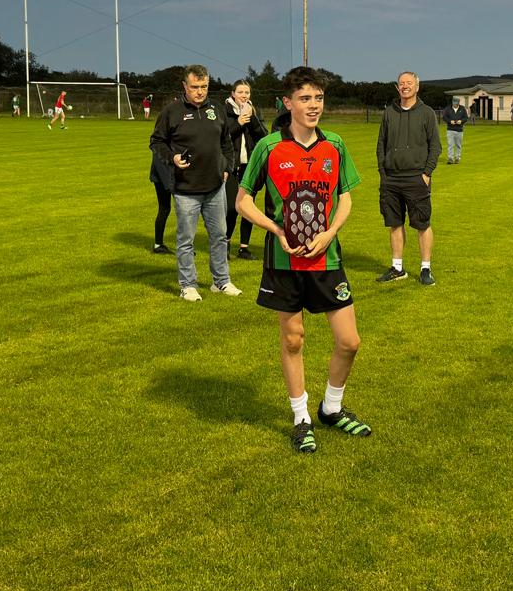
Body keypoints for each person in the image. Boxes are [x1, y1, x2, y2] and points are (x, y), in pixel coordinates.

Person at [234, 66, 368, 454]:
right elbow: (243, 201)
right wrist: (276, 230)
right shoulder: (268, 147)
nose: (313, 106)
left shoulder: (335, 145)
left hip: (327, 260)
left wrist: (330, 232)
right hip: (284, 262)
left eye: (318, 98)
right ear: (288, 103)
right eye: (305, 98)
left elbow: (345, 197)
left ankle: (332, 408)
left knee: (350, 341)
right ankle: (301, 418)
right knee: (293, 339)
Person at [149, 64, 240, 301]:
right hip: (185, 188)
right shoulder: (171, 111)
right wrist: (172, 158)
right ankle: (188, 285)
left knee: (219, 236)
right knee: (186, 240)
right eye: (195, 87)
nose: (200, 92)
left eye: (204, 86)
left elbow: (226, 142)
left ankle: (221, 281)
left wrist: (227, 168)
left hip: (215, 187)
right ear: (184, 86)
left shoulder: (216, 109)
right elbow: (156, 142)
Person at [375, 70, 440, 286]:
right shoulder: (389, 113)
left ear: (417, 87)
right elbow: (381, 145)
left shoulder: (427, 113)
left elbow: (435, 146)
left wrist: (426, 173)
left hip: (416, 178)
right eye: (401, 83)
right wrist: (383, 173)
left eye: (409, 83)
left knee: (422, 224)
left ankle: (425, 269)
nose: (405, 86)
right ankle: (397, 268)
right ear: (397, 87)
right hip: (391, 179)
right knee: (394, 223)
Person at [224, 80, 267, 260]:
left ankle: (244, 248)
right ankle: (225, 244)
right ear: (233, 94)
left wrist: (251, 119)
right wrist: (239, 122)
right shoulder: (224, 111)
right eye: (240, 92)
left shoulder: (253, 111)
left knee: (248, 207)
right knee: (232, 208)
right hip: (231, 167)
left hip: (248, 166)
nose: (244, 95)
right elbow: (221, 137)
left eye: (247, 92)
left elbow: (263, 136)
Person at [443, 97, 469, 164]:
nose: (455, 104)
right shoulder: (448, 109)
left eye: (456, 103)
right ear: (452, 102)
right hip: (450, 129)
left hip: (459, 130)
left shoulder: (462, 108)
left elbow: (466, 118)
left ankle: (457, 158)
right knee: (450, 145)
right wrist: (450, 121)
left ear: (458, 103)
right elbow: (444, 117)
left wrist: (461, 121)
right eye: (454, 103)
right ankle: (450, 159)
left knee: (458, 145)